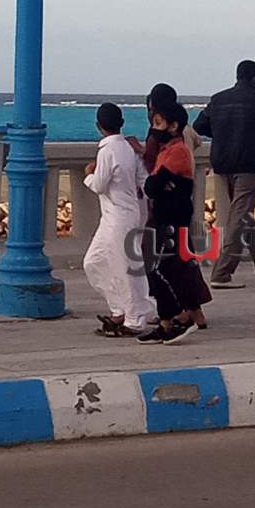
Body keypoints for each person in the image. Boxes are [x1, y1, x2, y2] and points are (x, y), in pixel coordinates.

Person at [194, 60, 255, 288]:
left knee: (243, 215)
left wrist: (222, 131)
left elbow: (199, 126)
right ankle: (222, 273)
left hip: (223, 163)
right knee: (239, 218)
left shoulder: (218, 99)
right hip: (248, 164)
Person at [137, 102, 213, 344]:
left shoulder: (178, 151)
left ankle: (181, 314)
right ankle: (166, 321)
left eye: (158, 123)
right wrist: (159, 185)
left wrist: (160, 184)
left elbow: (153, 185)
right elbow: (154, 185)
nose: (154, 128)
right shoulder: (165, 151)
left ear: (173, 126)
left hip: (172, 218)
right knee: (159, 265)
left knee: (166, 267)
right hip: (162, 215)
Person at [83, 102, 154, 337]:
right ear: (121, 123)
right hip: (122, 215)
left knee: (126, 267)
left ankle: (135, 319)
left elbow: (99, 185)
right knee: (94, 261)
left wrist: (88, 174)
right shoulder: (128, 148)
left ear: (98, 126)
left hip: (118, 218)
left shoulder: (107, 151)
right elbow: (143, 178)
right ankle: (120, 308)